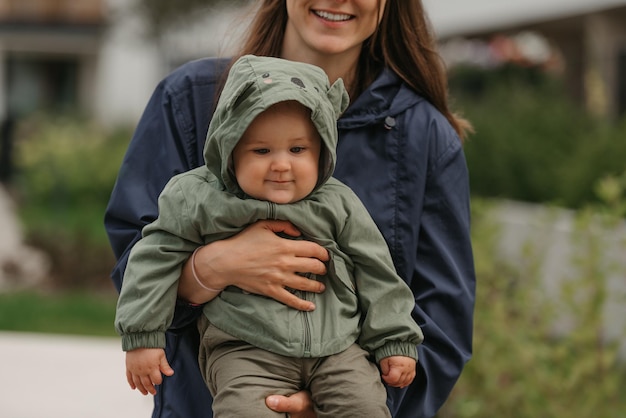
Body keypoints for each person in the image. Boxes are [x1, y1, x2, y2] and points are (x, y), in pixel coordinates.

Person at [104, 1, 476, 417]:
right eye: (261, 149)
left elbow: (443, 324)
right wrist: (210, 269)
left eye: (299, 148)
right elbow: (138, 258)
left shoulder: (425, 137)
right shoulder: (188, 99)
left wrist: (348, 402)